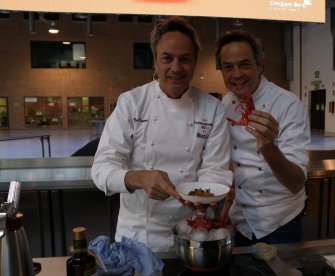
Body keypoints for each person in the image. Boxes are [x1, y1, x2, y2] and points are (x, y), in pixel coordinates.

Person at [91, 16, 233, 252]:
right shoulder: (132, 102)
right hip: (137, 234)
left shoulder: (212, 108)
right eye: (167, 58)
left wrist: (202, 202)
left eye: (185, 59)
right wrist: (140, 178)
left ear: (195, 62)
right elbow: (102, 169)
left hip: (191, 232)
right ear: (155, 61)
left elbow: (215, 171)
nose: (176, 68)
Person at [216, 30, 310, 246]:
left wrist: (268, 147)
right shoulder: (226, 103)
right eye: (228, 67)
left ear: (260, 66)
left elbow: (296, 183)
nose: (236, 74)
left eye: (245, 64)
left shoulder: (288, 105)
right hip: (240, 220)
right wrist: (228, 202)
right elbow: (234, 162)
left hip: (280, 223)